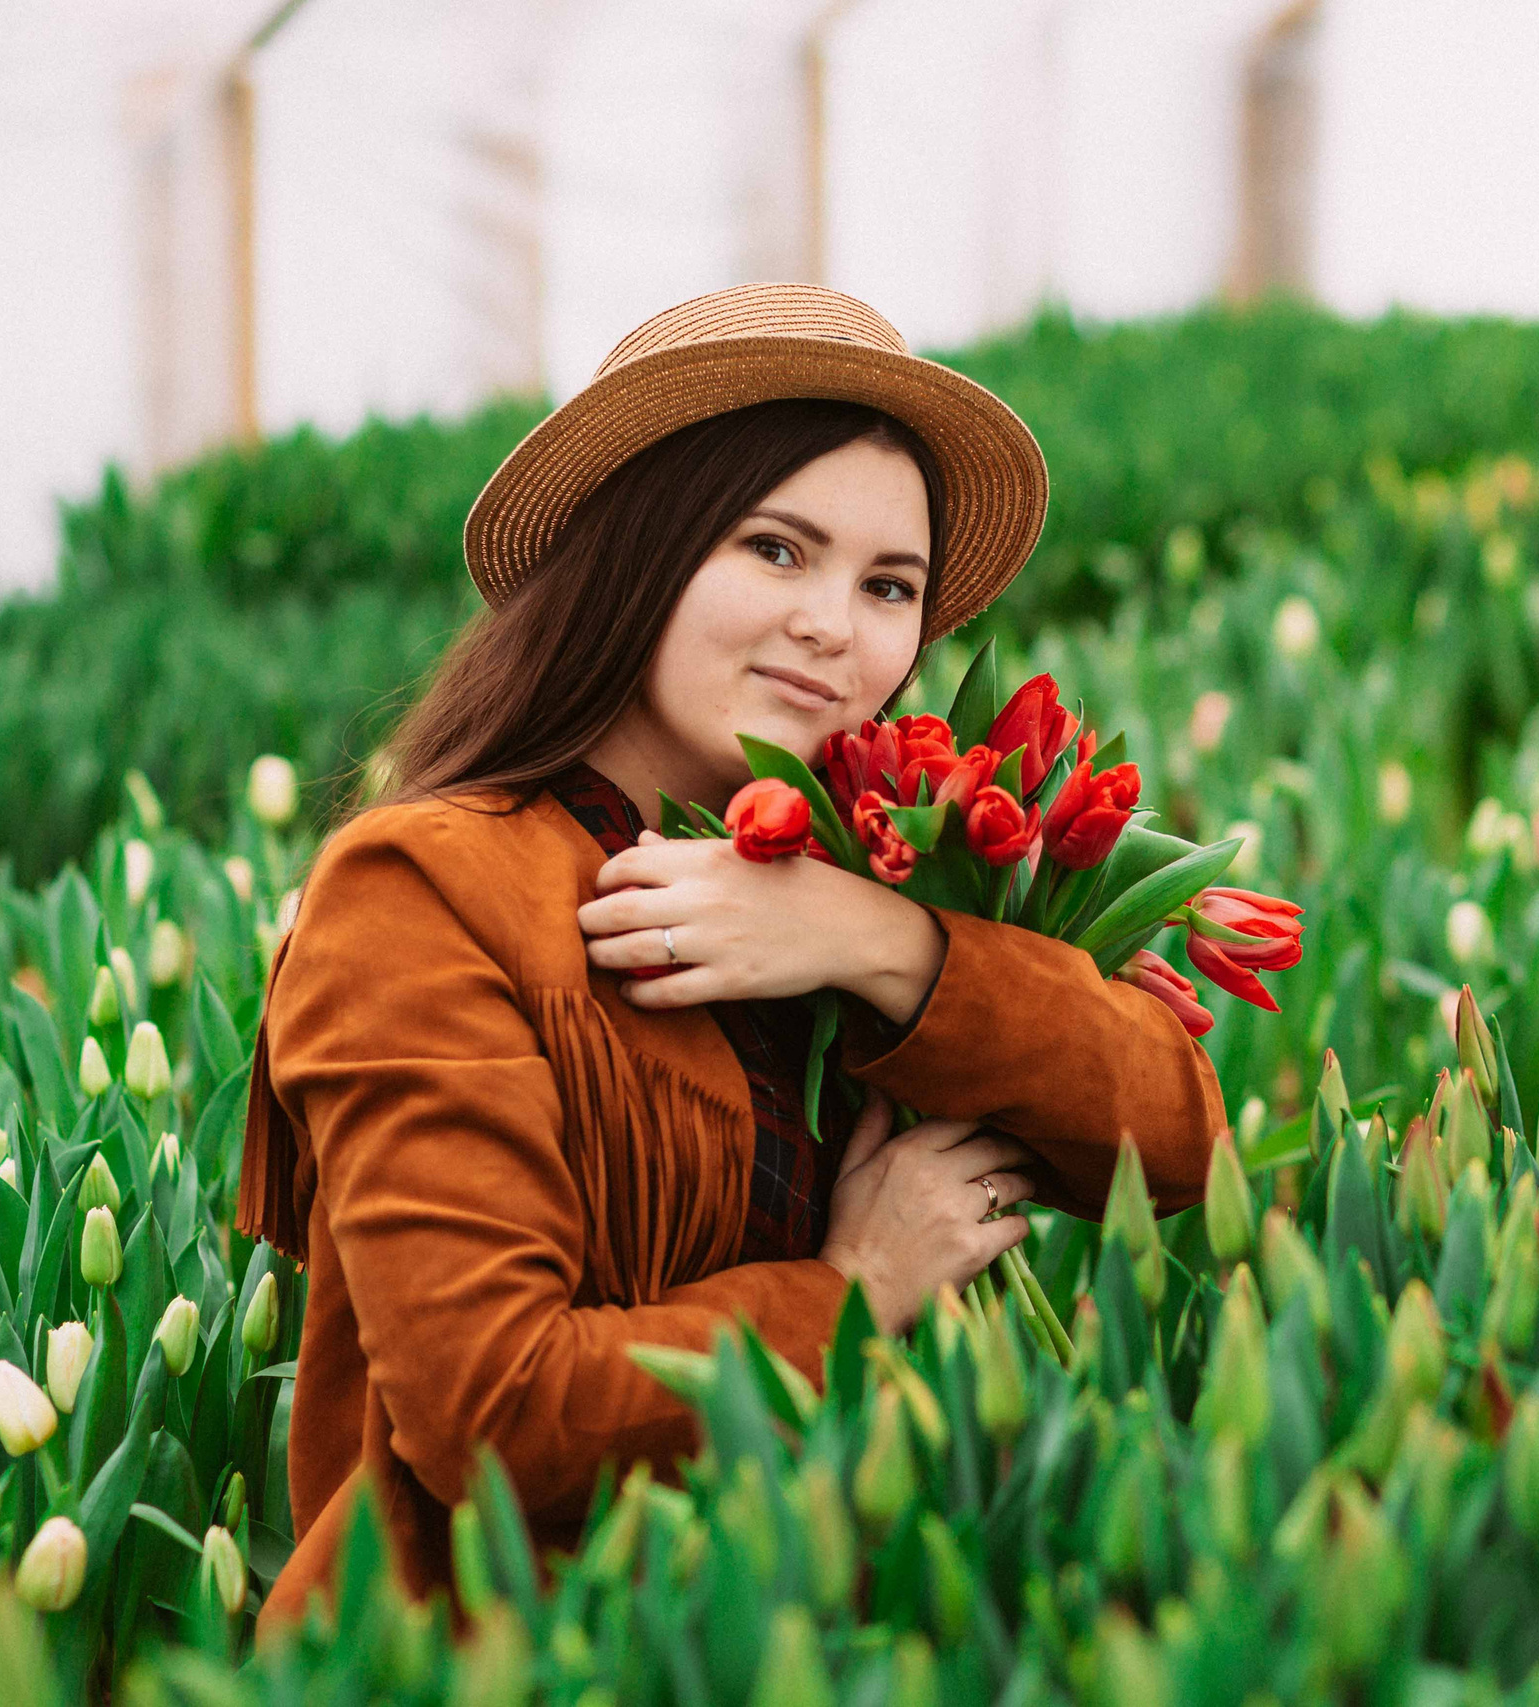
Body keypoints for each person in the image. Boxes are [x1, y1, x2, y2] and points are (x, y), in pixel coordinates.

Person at [237, 282, 1228, 1641]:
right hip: (519, 1655)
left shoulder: (872, 871)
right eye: (775, 549)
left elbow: (1177, 1152)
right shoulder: (426, 890)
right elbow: (493, 1416)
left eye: (891, 586)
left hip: (840, 1631)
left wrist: (883, 944)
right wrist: (854, 1295)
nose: (839, 625)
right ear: (637, 552)